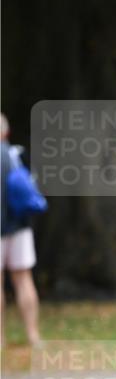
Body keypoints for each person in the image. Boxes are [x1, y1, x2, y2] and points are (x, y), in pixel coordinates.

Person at [1, 113, 42, 348]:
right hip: (20, 226)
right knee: (24, 279)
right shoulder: (17, 154)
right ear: (6, 132)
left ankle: (0, 338)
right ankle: (33, 335)